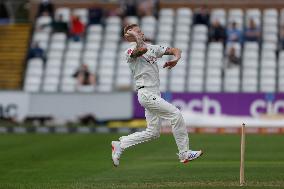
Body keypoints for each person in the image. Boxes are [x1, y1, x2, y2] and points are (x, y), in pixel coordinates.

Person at [111, 24, 203, 167]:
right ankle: (184, 153)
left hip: (154, 93)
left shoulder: (152, 48)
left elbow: (175, 50)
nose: (141, 33)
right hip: (145, 92)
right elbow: (140, 50)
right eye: (137, 32)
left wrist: (176, 59)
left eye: (141, 31)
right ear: (129, 37)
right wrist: (134, 37)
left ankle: (121, 144)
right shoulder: (129, 50)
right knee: (175, 114)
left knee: (153, 132)